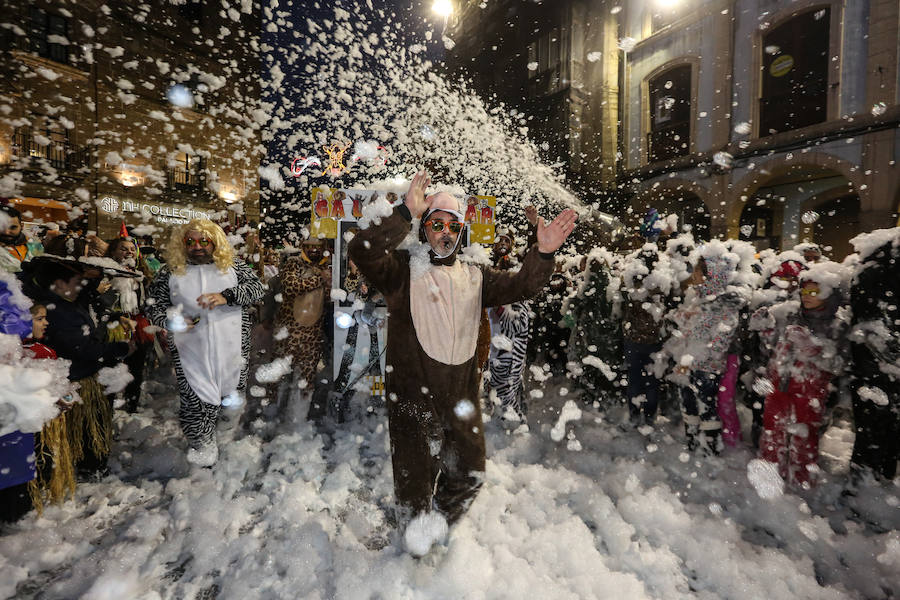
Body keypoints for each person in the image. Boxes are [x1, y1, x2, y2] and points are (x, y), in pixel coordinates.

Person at [347, 172, 576, 552]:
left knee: (470, 473)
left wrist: (544, 254)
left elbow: (523, 285)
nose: (445, 232)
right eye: (436, 224)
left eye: (453, 225)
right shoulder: (402, 270)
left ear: (462, 230)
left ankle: (432, 527)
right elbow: (363, 250)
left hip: (460, 398)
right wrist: (405, 211)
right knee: (415, 485)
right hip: (412, 400)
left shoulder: (476, 275)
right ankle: (412, 556)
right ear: (426, 228)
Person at [145, 219, 265, 467]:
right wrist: (172, 319)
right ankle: (203, 458)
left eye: (203, 241)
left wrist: (227, 296)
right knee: (195, 406)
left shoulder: (233, 267)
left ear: (215, 242)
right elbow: (153, 305)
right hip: (191, 351)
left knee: (231, 402)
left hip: (232, 351)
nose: (196, 246)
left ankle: (224, 441)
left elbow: (257, 289)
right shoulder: (169, 272)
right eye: (190, 241)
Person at [757, 265, 848, 488]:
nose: (807, 297)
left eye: (814, 292)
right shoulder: (790, 316)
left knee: (804, 435)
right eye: (804, 291)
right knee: (772, 431)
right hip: (779, 384)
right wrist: (766, 333)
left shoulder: (836, 326)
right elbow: (772, 349)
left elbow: (839, 364)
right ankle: (769, 476)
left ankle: (802, 480)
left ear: (829, 294)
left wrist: (814, 350)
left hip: (810, 390)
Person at [847, 228, 900, 482]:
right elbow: (870, 324)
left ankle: (867, 482)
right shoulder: (880, 273)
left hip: (872, 366)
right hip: (876, 365)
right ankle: (871, 483)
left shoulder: (873, 271)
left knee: (876, 429)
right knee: (881, 429)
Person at [485, 232, 532, 420]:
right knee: (491, 376)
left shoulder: (516, 268)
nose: (503, 243)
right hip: (491, 338)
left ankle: (515, 416)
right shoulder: (485, 263)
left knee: (511, 380)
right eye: (500, 240)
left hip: (510, 343)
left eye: (507, 240)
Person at [1, 204, 31, 273]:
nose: (7, 232)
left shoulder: (35, 247)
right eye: (2, 227)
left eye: (13, 227)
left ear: (22, 226)